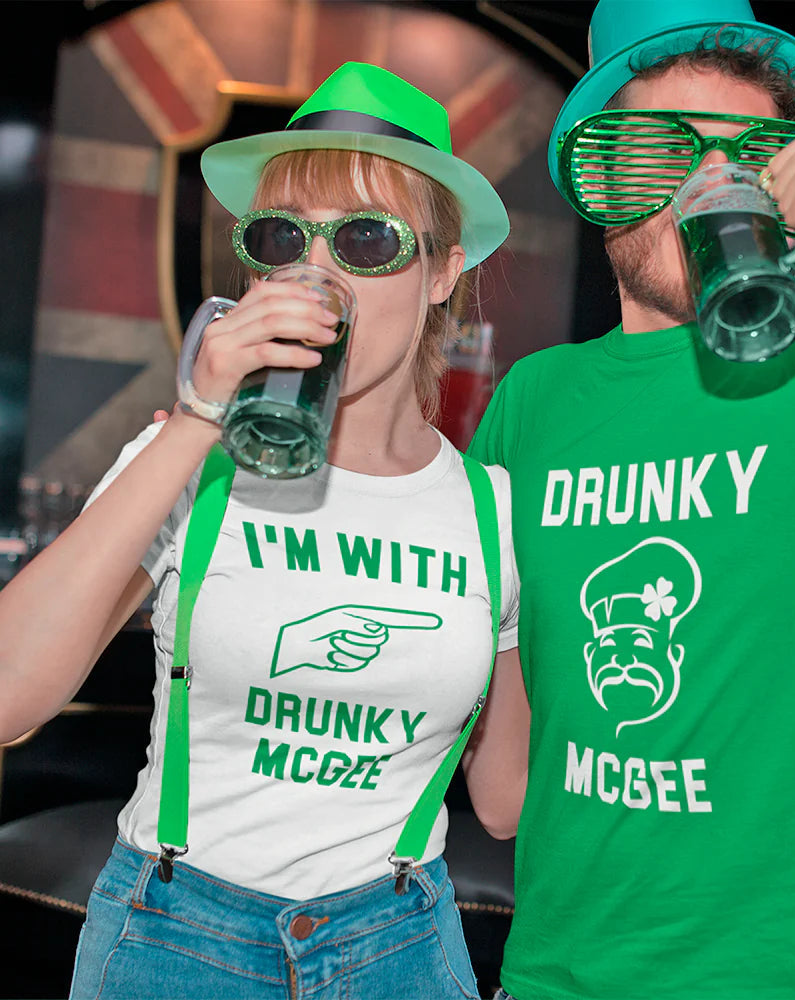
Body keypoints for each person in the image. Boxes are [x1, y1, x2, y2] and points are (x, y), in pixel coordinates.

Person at [466, 1, 795, 998]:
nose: (703, 189)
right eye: (658, 155)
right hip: (553, 976)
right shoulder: (532, 402)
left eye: (745, 160)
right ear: (603, 182)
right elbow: (504, 797)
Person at [0, 61, 529, 1000]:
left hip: (399, 946)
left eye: (366, 238)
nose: (315, 274)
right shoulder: (189, 458)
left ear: (445, 270)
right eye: (283, 237)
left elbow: (506, 799)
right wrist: (199, 419)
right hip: (173, 940)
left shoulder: (493, 511)